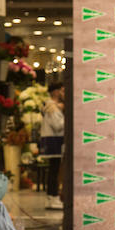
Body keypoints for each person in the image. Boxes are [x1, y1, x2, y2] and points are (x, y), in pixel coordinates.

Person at [41, 81, 65, 210]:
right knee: (54, 170)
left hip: (52, 140)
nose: (63, 94)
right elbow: (58, 125)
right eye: (61, 91)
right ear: (55, 92)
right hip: (54, 140)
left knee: (53, 170)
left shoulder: (52, 106)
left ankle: (51, 197)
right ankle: (53, 197)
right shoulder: (52, 107)